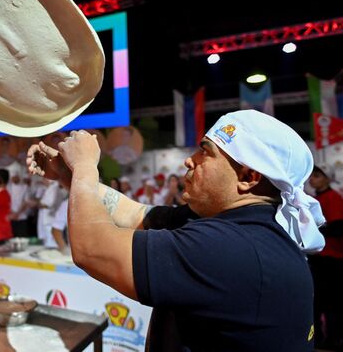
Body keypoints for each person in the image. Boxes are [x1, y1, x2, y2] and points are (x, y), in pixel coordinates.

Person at [27, 110, 325, 351]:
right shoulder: (234, 222)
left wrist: (85, 169)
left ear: (248, 177)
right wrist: (70, 177)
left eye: (204, 152)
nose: (188, 160)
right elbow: (135, 214)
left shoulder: (235, 248)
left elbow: (93, 250)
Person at [307, 163, 343, 349]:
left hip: (331, 259)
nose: (313, 179)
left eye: (318, 176)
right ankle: (320, 338)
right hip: (318, 257)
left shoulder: (333, 198)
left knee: (330, 302)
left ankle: (333, 339)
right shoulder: (314, 198)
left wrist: (312, 228)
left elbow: (337, 227)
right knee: (318, 301)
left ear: (328, 178)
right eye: (312, 176)